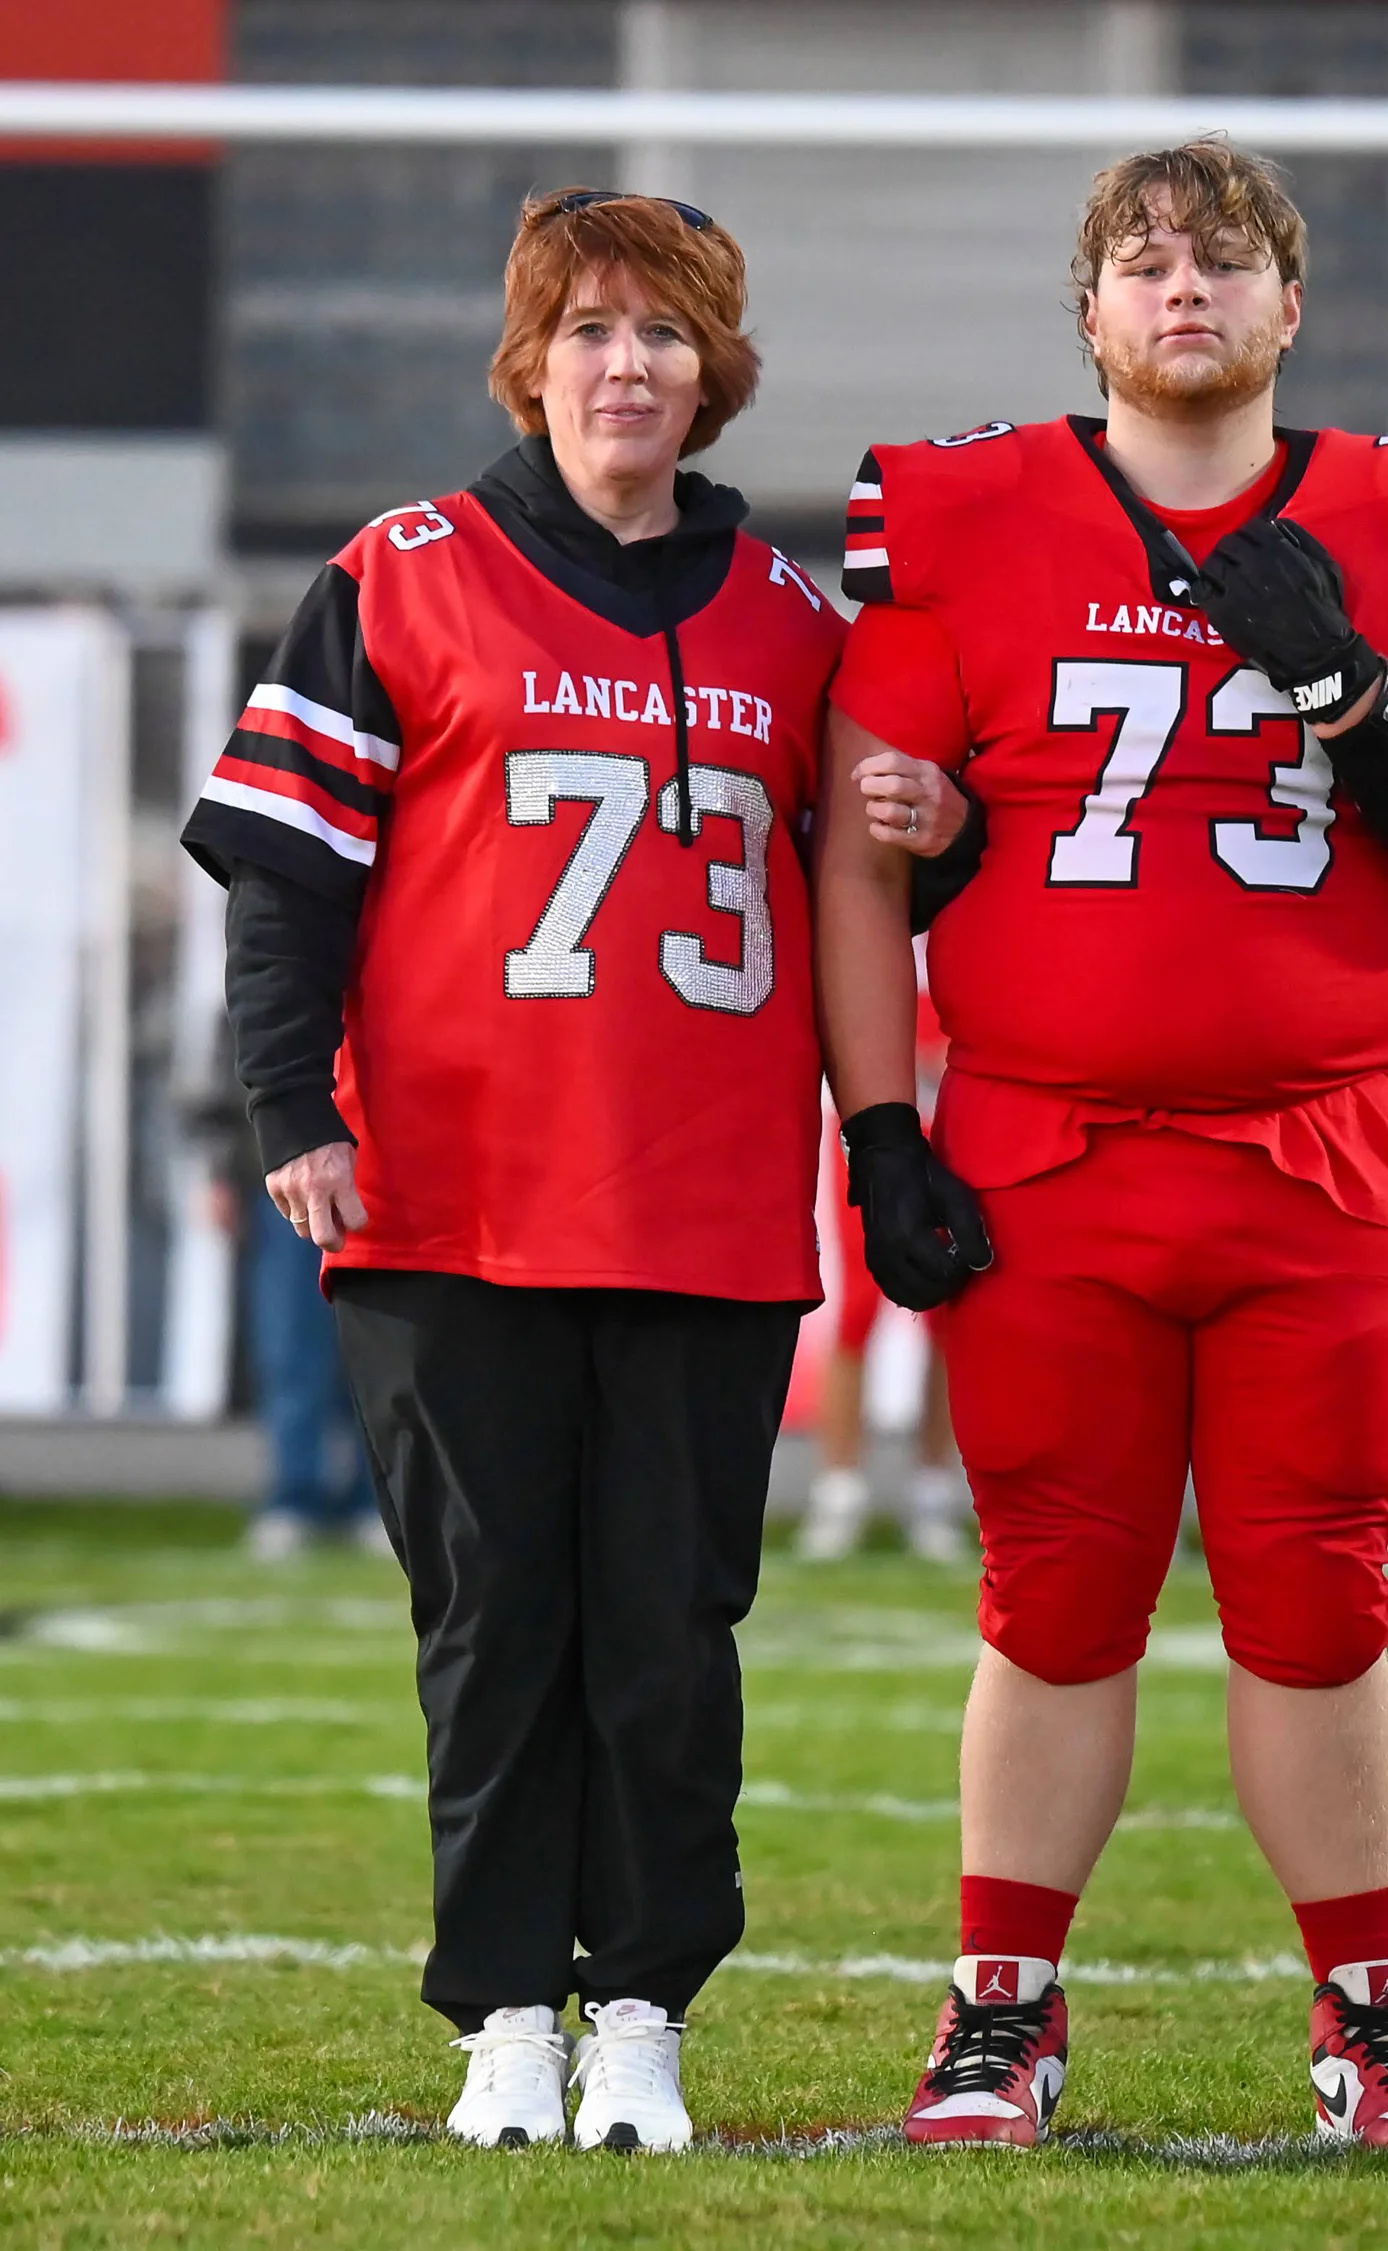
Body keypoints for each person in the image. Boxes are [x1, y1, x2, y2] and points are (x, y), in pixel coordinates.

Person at [814, 139, 1388, 2154]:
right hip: (1049, 1152)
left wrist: (1340, 681)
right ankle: (1001, 2009)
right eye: (1145, 261)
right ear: (1091, 315)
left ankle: (1374, 2018)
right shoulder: (962, 513)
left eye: (1228, 261)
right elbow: (860, 851)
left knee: (1320, 1596)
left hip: (1319, 1153)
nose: (1186, 287)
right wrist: (881, 1130)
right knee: (1054, 1595)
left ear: (1289, 309)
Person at [180, 189, 897, 2155]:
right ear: (530, 357)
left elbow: (877, 892)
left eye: (665, 335)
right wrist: (286, 1102)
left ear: (715, 374)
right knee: (497, 1628)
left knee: (667, 1637)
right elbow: (285, 869)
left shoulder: (798, 621)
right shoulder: (400, 575)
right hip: (455, 1197)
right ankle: (506, 2008)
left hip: (708, 1201)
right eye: (588, 328)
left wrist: (941, 841)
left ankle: (646, 2007)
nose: (626, 364)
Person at [188, 1014, 385, 1560]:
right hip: (282, 1181)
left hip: (379, 1181)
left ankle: (377, 1500)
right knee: (291, 1349)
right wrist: (223, 1175)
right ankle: (295, 1495)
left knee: (377, 1348)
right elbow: (239, 1075)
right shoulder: (270, 964)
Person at [799, 957, 969, 1563]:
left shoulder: (964, 882)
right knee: (858, 1310)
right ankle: (838, 1490)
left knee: (950, 1313)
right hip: (868, 1123)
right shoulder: (868, 878)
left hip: (952, 1117)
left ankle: (933, 1491)